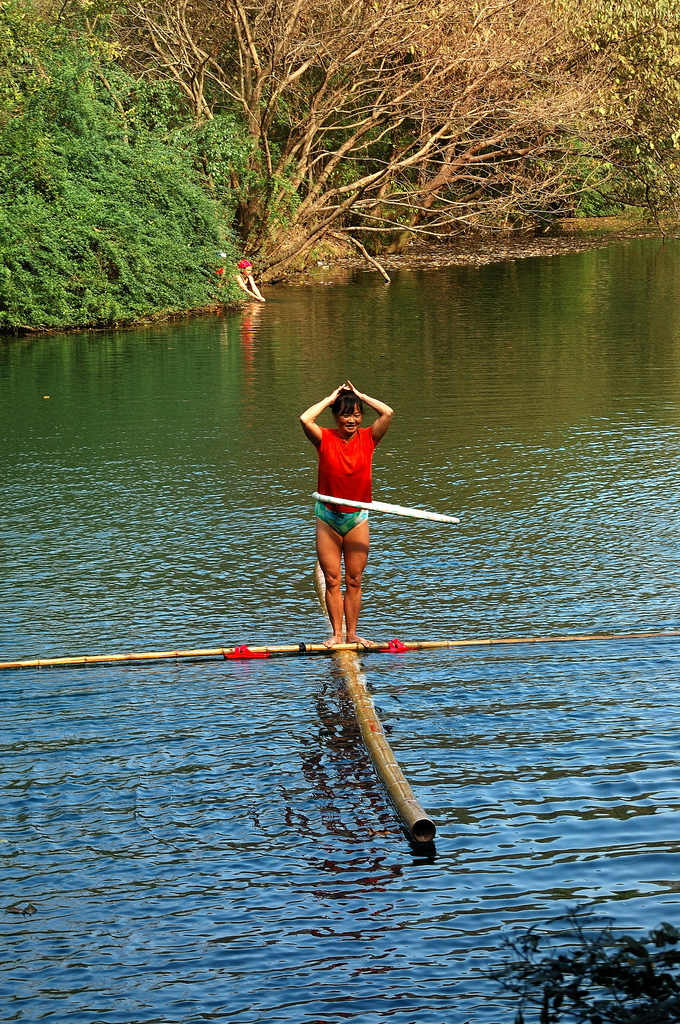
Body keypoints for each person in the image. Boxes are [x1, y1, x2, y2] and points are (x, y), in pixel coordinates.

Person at [300, 380, 394, 648]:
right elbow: (304, 418)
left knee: (354, 579)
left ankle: (352, 635)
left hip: (357, 517)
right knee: (332, 579)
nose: (351, 420)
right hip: (327, 517)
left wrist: (361, 395)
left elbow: (387, 413)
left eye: (356, 414)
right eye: (344, 414)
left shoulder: (369, 438)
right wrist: (330, 398)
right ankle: (337, 635)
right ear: (336, 416)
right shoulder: (324, 438)